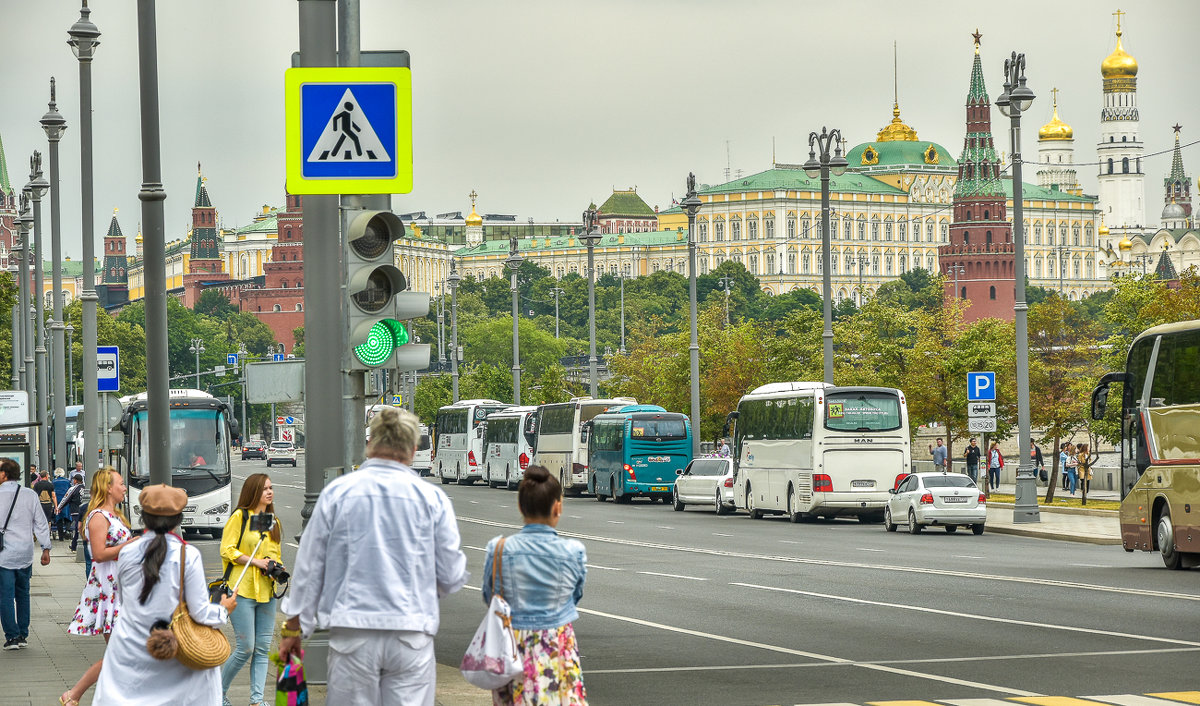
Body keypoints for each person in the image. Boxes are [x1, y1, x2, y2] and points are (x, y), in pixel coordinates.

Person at [279, 407, 468, 706]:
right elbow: (451, 575)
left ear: (369, 444)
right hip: (411, 633)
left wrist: (295, 626)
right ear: (413, 449)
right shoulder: (431, 499)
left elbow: (310, 566)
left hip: (353, 633)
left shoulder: (338, 493)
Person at [92, 484, 237, 705]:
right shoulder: (188, 555)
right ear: (178, 520)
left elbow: (124, 600)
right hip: (175, 656)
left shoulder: (128, 552)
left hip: (130, 651)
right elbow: (200, 613)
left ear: (143, 517)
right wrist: (223, 610)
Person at [483, 465, 588, 705]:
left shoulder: (498, 549)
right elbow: (576, 595)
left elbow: (491, 597)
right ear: (557, 507)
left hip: (512, 647)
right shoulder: (573, 552)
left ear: (520, 507)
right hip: (557, 645)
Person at [61, 468, 134, 706]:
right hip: (109, 588)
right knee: (119, 653)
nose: (124, 488)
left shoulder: (115, 515)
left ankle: (83, 695)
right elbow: (99, 554)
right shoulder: (99, 516)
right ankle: (75, 694)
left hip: (119, 586)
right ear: (108, 487)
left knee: (122, 654)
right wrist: (132, 544)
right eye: (121, 484)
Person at [219, 473, 285, 706]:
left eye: (271, 488)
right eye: (264, 488)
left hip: (266, 591)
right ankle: (217, 693)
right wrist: (256, 561)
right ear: (253, 492)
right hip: (242, 591)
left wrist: (275, 565)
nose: (269, 492)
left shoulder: (271, 520)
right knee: (246, 647)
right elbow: (226, 550)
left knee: (263, 648)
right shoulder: (240, 516)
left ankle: (257, 701)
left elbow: (274, 553)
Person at [0, 457, 52, 650]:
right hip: (25, 552)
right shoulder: (29, 495)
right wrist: (46, 548)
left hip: (3, 554)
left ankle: (12, 637)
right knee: (23, 594)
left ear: (4, 474)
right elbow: (40, 523)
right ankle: (23, 634)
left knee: (5, 596)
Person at [56, 471, 86, 552]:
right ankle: (75, 545)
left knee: (77, 528)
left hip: (75, 510)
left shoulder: (73, 489)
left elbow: (66, 499)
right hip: (85, 511)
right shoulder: (85, 488)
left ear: (75, 480)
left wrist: (59, 507)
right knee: (81, 528)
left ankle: (74, 546)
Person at [53, 468, 72, 540]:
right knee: (67, 517)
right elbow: (70, 490)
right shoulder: (67, 481)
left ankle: (60, 537)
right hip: (66, 501)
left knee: (59, 519)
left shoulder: (54, 482)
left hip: (57, 501)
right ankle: (67, 530)